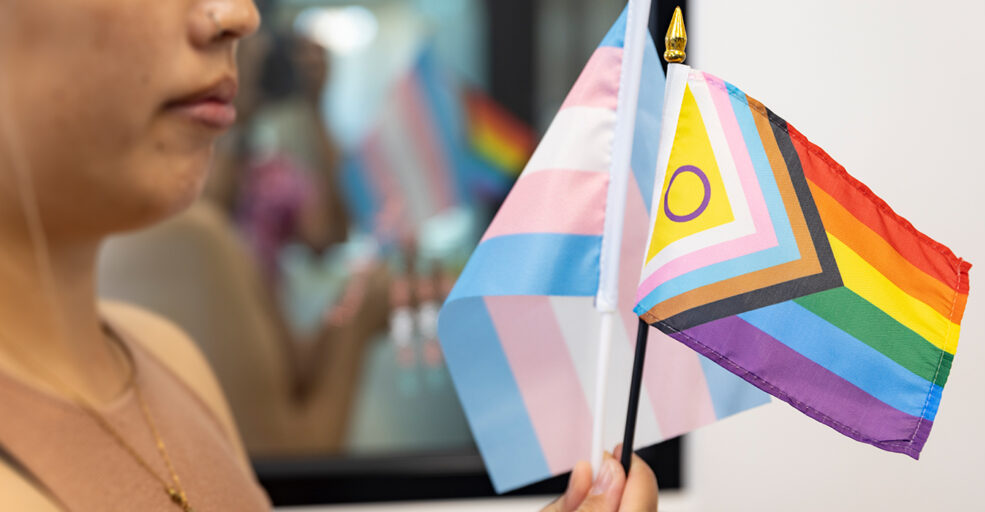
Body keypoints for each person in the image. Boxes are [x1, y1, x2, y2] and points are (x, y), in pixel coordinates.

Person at [0, 0, 657, 510]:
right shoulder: (190, 253)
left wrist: (312, 110)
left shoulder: (169, 360)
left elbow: (325, 231)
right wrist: (355, 327)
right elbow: (303, 439)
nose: (240, 16)